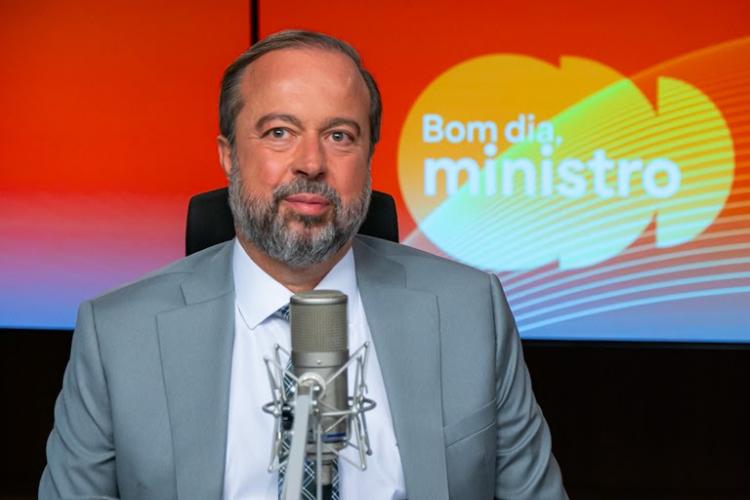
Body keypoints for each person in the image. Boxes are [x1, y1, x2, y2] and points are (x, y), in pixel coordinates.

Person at [39, 30, 567, 500]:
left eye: (339, 136)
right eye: (279, 132)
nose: (311, 163)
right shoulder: (118, 336)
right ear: (228, 155)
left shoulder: (470, 312)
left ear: (368, 158)